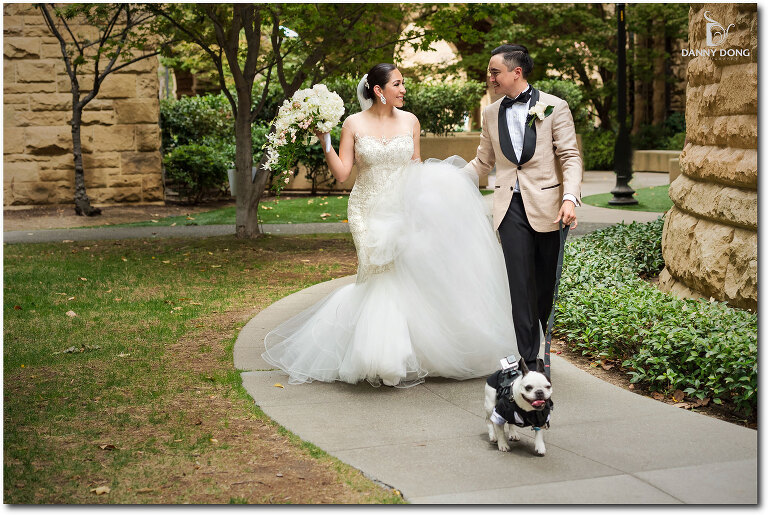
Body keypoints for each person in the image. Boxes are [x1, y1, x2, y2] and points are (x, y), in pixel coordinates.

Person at [261, 63, 518, 388]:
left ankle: (407, 354)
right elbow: (342, 173)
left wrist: (436, 198)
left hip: (403, 208)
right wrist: (325, 140)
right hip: (367, 209)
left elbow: (416, 168)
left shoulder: (410, 121)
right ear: (378, 90)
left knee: (407, 277)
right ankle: (381, 357)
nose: (403, 89)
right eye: (397, 84)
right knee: (377, 277)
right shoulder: (353, 124)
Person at [464, 44, 582, 371]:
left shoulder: (554, 107)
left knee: (543, 288)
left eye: (494, 72)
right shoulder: (489, 113)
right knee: (519, 284)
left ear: (516, 72)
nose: (489, 78)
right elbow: (483, 162)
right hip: (508, 207)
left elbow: (570, 157)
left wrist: (570, 197)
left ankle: (538, 336)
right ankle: (530, 360)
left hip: (550, 206)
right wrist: (447, 179)